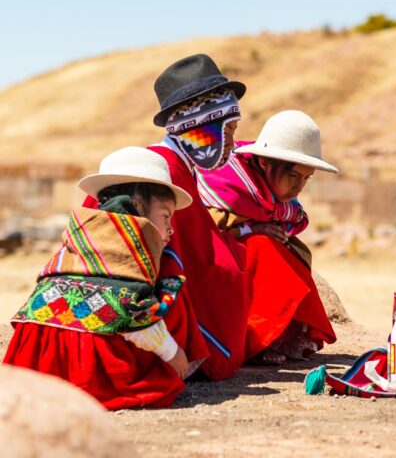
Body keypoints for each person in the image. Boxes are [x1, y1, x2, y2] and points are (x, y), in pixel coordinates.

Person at [3, 147, 208, 409]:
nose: (170, 229)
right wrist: (173, 353)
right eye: (166, 216)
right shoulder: (124, 248)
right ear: (136, 207)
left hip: (33, 363)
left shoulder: (84, 235)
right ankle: (168, 371)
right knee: (172, 292)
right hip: (86, 372)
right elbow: (133, 318)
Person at [197, 110, 339, 364]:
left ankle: (284, 333)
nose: (298, 188)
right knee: (262, 247)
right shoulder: (227, 184)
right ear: (265, 163)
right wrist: (250, 230)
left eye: (306, 178)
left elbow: (291, 220)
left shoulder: (274, 201)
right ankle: (255, 339)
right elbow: (203, 228)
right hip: (210, 262)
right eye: (293, 175)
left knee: (284, 250)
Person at [142, 53, 249, 380]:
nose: (231, 142)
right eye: (226, 130)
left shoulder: (176, 165)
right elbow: (197, 259)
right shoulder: (166, 171)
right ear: (200, 128)